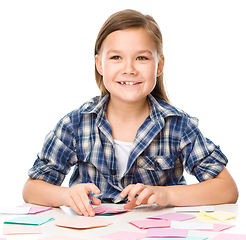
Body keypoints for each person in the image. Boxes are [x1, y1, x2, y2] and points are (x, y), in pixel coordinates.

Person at [23, 9, 238, 217]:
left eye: (142, 58)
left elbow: (227, 189)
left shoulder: (178, 125)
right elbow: (31, 190)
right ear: (99, 64)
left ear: (159, 65)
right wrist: (65, 195)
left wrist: (166, 193)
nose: (129, 69)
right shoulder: (76, 124)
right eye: (116, 57)